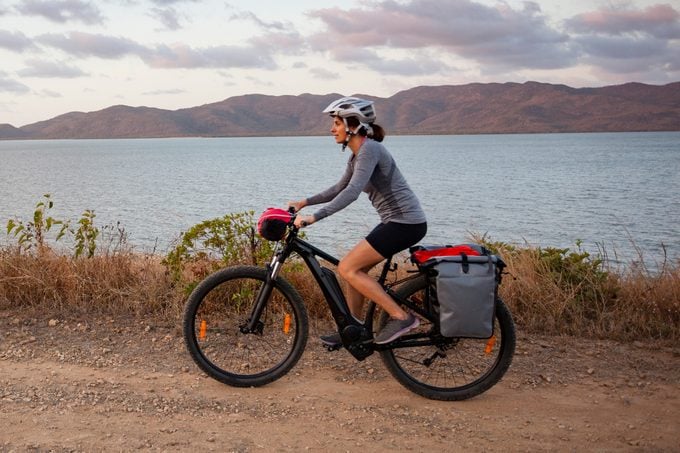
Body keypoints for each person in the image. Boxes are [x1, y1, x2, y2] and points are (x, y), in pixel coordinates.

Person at [288, 97, 427, 345]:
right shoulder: (357, 156)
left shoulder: (370, 150)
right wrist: (304, 202)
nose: (332, 129)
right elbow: (339, 188)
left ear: (354, 125)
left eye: (337, 123)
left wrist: (313, 218)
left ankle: (400, 316)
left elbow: (351, 193)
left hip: (406, 223)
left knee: (348, 268)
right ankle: (353, 330)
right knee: (353, 269)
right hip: (395, 221)